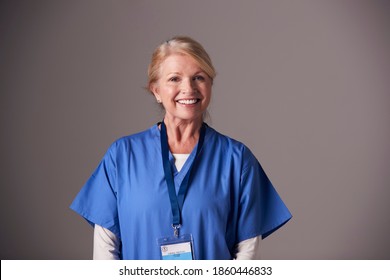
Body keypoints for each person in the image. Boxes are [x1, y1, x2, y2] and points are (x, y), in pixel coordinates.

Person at [70, 36, 292, 260]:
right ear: (156, 91)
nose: (188, 88)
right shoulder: (122, 156)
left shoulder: (237, 159)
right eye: (175, 79)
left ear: (210, 85)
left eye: (199, 77)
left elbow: (247, 251)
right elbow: (105, 248)